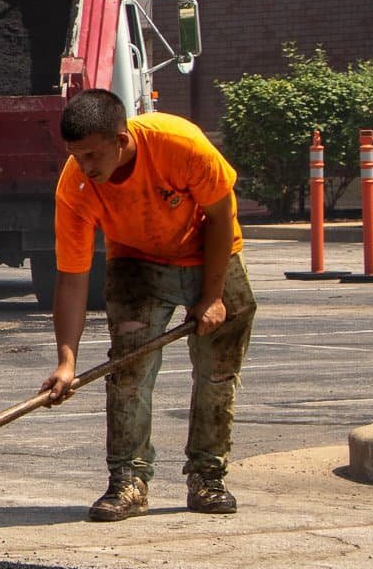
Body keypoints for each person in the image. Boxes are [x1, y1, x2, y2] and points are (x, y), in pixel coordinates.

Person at [38, 88, 255, 522]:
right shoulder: (75, 186)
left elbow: (219, 214)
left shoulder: (181, 145)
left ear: (121, 140)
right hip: (137, 261)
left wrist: (211, 297)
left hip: (209, 251)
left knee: (216, 373)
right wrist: (66, 360)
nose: (86, 167)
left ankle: (207, 477)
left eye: (94, 155)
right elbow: (73, 277)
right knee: (129, 374)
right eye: (76, 156)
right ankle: (128, 482)